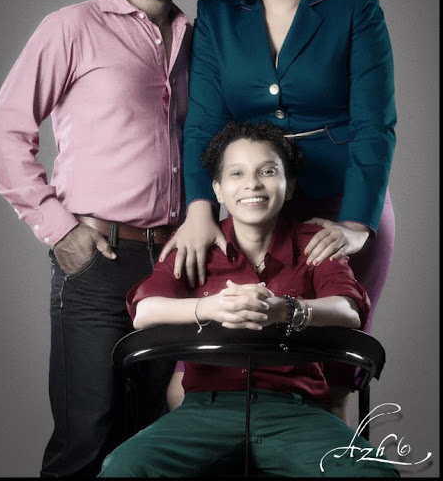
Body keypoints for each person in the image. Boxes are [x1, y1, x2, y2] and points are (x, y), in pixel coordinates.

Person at [159, 0, 396, 421]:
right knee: (202, 372)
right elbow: (203, 123)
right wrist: (200, 210)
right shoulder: (217, 13)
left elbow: (375, 124)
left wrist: (357, 224)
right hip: (251, 206)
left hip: (340, 203)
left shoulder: (356, 6)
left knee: (330, 378)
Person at [0, 0, 197, 477]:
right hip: (97, 260)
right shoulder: (71, 26)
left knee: (153, 439)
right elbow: (3, 131)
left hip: (175, 266)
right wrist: (58, 229)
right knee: (86, 436)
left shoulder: (195, 40)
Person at [97, 121, 399, 478]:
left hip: (294, 410)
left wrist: (285, 309)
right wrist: (210, 307)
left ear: (289, 186)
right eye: (236, 173)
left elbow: (349, 308)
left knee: (374, 473)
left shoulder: (314, 241)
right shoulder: (195, 245)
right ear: (218, 189)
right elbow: (144, 310)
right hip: (206, 409)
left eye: (267, 171)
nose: (252, 184)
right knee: (122, 468)